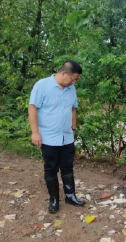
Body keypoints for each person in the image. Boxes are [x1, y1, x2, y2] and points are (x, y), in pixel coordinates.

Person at [28, 60, 85, 213]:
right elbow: (33, 108)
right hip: (48, 137)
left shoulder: (71, 89)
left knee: (67, 167)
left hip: (66, 137)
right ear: (64, 73)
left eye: (75, 80)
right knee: (51, 169)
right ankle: (54, 199)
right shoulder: (42, 85)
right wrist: (35, 132)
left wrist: (73, 127)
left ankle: (70, 196)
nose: (73, 82)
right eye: (73, 79)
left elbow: (73, 109)